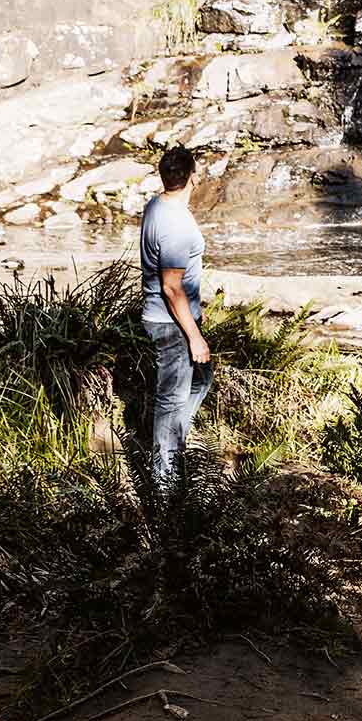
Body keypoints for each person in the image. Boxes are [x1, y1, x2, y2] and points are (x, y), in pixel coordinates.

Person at [140, 144, 212, 482]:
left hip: (173, 316)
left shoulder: (158, 204)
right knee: (170, 400)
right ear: (193, 179)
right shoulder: (175, 225)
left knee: (201, 379)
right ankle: (163, 480)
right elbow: (171, 287)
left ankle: (172, 446)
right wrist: (194, 336)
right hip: (170, 324)